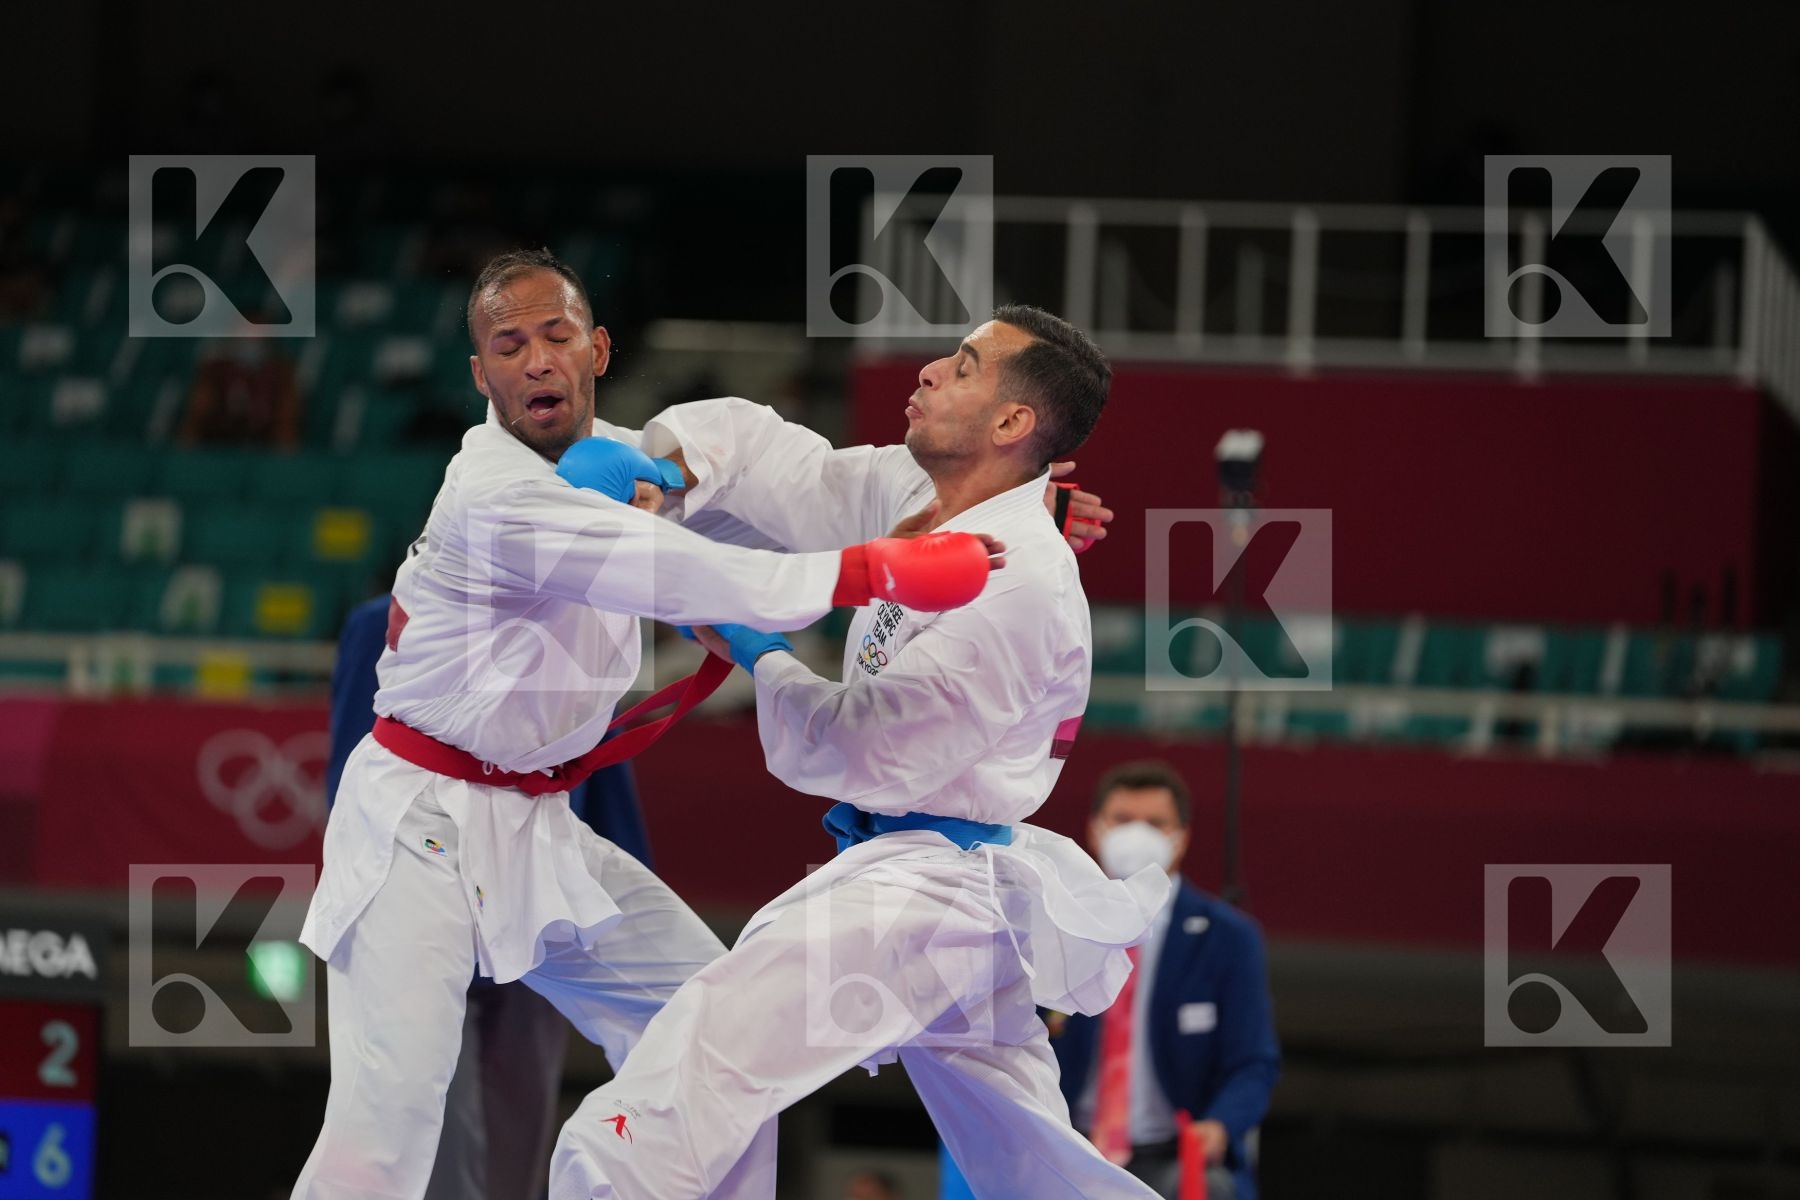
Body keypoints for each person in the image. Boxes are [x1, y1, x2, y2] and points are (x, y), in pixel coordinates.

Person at [291, 249, 996, 1200]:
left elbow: (796, 485)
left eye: (556, 334)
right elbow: (678, 574)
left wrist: (1005, 501)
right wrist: (869, 573)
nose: (536, 359)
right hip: (419, 822)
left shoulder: (629, 468)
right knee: (391, 1118)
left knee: (717, 1030)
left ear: (599, 347)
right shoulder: (493, 495)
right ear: (480, 375)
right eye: (509, 345)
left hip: (536, 822)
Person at [548, 305, 1171, 1199]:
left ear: (1011, 424)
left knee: (700, 1059)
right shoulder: (923, 504)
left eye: (962, 367)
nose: (927, 373)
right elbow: (777, 465)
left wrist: (759, 653)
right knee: (1036, 1170)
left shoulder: (1020, 575)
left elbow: (870, 750)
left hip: (925, 891)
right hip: (950, 887)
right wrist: (659, 473)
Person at [326, 594, 653, 1200]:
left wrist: (620, 910)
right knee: (428, 1149)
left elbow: (597, 763)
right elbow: (356, 761)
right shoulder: (386, 621)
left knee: (514, 1157)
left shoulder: (571, 616)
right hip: (427, 904)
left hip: (537, 922)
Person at [1056, 761, 1280, 1200]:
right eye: (1123, 820)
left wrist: (1219, 1125)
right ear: (1095, 829)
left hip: (1172, 1154)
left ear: (1181, 837)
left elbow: (1253, 1062)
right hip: (1067, 1147)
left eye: (1155, 823)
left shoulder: (1226, 937)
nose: (1137, 834)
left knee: (1208, 1190)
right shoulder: (1057, 922)